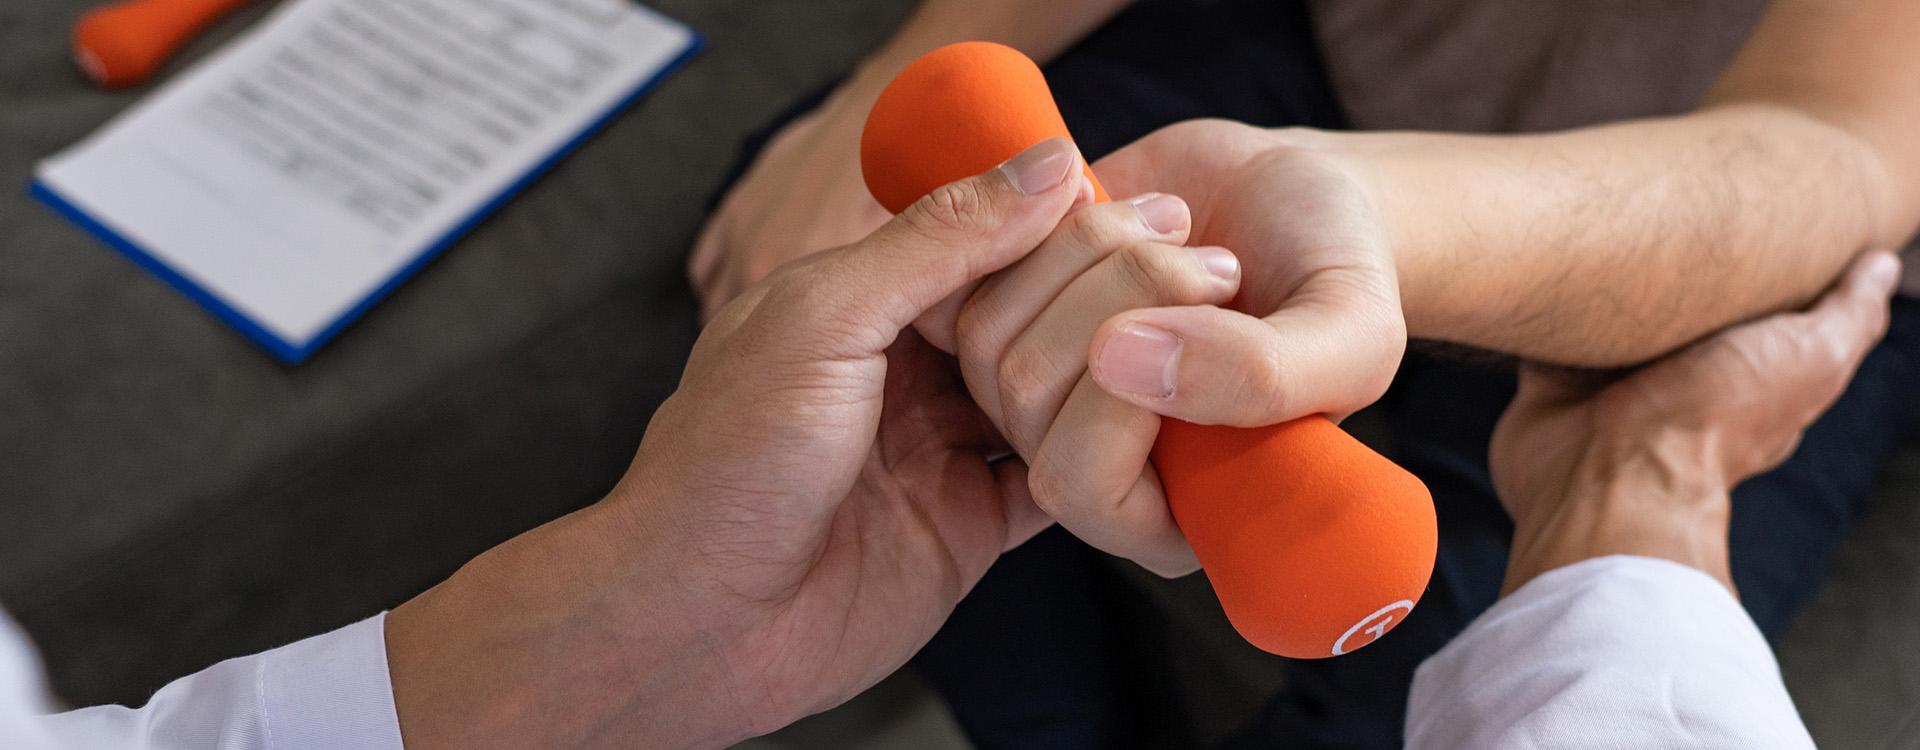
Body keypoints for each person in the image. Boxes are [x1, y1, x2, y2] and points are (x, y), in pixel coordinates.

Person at [0, 141, 1894, 748]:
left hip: (1524, 235)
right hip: (1266, 181)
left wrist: (1360, 232)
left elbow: (1842, 150)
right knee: (982, 507)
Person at [693, 0, 1920, 744]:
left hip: (1724, 238)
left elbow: (1832, 153)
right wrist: (908, 69)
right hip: (1344, 53)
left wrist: (1351, 216)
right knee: (832, 310)